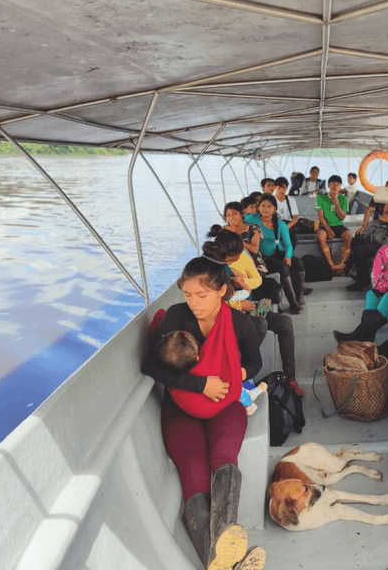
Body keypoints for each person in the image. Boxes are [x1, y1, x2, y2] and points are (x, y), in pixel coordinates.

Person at [141, 257, 266, 570]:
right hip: (180, 408)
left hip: (226, 404)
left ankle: (220, 561)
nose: (193, 303)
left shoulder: (239, 323)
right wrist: (201, 384)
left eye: (202, 295)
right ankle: (228, 564)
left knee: (224, 457)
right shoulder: (176, 316)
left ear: (222, 291)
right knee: (194, 476)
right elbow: (150, 365)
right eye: (188, 295)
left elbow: (255, 363)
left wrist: (237, 372)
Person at [204, 232, 304, 397]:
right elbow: (209, 304)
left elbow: (256, 280)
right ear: (223, 254)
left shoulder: (232, 262)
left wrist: (243, 283)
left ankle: (290, 377)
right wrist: (238, 304)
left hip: (246, 307)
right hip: (228, 314)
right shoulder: (210, 270)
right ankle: (240, 374)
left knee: (285, 322)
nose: (233, 263)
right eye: (231, 260)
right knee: (259, 323)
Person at [246, 194, 307, 314]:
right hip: (262, 257)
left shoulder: (281, 224)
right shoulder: (251, 219)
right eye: (263, 206)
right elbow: (239, 226)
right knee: (282, 267)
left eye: (269, 206)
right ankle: (293, 303)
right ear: (258, 207)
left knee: (298, 263)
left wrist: (288, 257)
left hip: (277, 253)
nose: (265, 209)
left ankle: (299, 297)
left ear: (275, 208)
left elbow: (288, 245)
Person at [315, 174, 352, 273]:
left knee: (348, 235)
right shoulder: (321, 197)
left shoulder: (344, 199)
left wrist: (336, 203)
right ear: (328, 185)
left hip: (338, 225)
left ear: (340, 187)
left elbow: (342, 217)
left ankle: (341, 264)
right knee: (320, 236)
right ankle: (331, 265)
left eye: (338, 185)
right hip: (326, 225)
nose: (336, 187)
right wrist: (328, 229)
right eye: (333, 184)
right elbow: (321, 217)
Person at [274, 176, 301, 250]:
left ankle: (289, 254)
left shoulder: (291, 200)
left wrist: (286, 227)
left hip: (288, 225)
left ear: (286, 188)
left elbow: (295, 217)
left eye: (284, 188)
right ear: (275, 187)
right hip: (275, 225)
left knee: (293, 238)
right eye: (279, 187)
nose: (281, 190)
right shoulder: (272, 200)